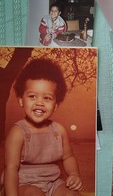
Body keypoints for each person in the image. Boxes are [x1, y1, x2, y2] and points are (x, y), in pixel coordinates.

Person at [3, 58, 83, 196]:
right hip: (23, 184)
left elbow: (68, 157)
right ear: (21, 100)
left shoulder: (59, 131)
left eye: (47, 98)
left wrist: (74, 174)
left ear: (56, 105)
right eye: (32, 96)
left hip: (53, 183)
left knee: (72, 194)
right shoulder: (18, 133)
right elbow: (11, 169)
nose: (39, 103)